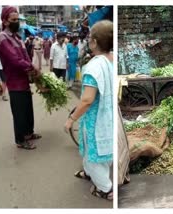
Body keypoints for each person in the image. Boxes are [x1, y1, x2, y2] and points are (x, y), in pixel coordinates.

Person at [64, 20, 113, 200]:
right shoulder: (112, 58)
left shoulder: (93, 67)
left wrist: (71, 119)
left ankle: (105, 189)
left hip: (95, 118)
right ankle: (89, 173)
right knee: (101, 150)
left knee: (95, 154)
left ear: (93, 42)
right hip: (108, 115)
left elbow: (87, 100)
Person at [0, 6, 42, 150]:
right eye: (13, 20)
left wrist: (32, 69)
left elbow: (25, 56)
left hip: (24, 80)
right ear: (5, 21)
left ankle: (29, 133)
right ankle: (20, 140)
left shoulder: (17, 37)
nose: (17, 22)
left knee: (28, 109)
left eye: (18, 20)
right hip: (14, 82)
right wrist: (31, 68)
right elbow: (15, 60)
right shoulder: (3, 37)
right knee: (19, 112)